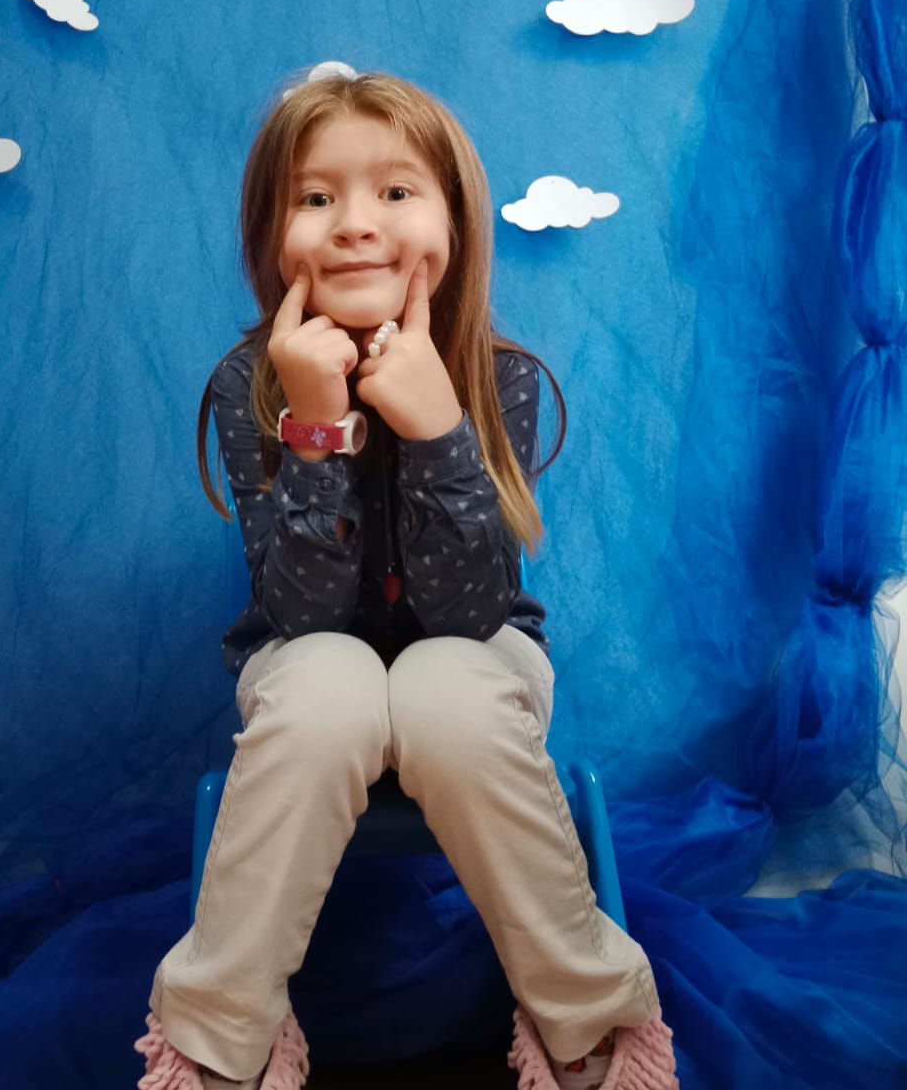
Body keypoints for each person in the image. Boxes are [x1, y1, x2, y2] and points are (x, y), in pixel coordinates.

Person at [136, 71, 678, 1090]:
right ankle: (221, 1040)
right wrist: (314, 426)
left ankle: (587, 1022)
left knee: (441, 686)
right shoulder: (247, 384)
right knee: (332, 680)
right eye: (316, 197)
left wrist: (435, 425)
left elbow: (471, 613)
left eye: (395, 192)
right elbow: (298, 616)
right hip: (311, 677)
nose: (355, 224)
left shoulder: (500, 376)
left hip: (475, 665)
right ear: (270, 236)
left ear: (455, 222)